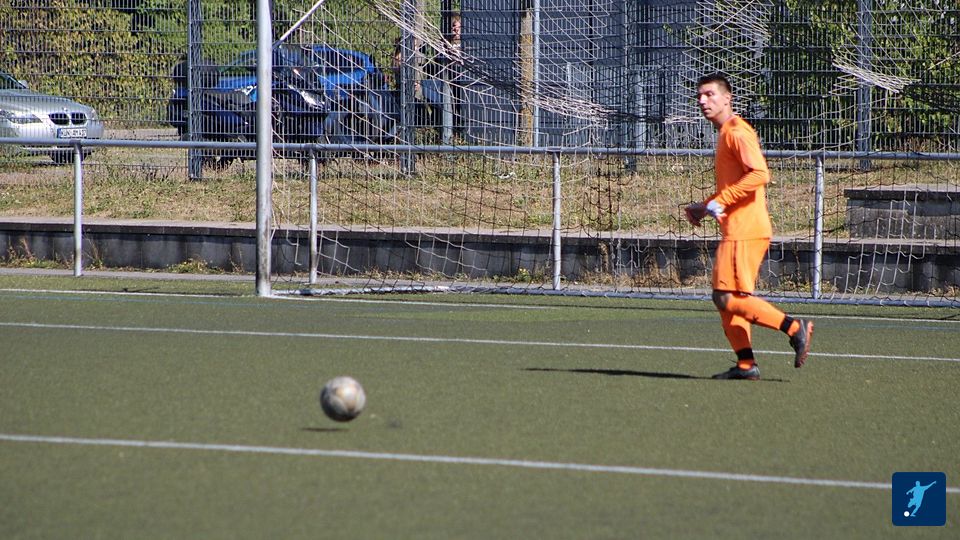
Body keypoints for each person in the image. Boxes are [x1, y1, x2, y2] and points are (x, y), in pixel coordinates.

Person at [684, 73, 814, 380]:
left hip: (745, 229)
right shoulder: (725, 133)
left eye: (709, 94)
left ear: (727, 98)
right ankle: (746, 364)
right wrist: (705, 206)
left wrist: (722, 200)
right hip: (738, 228)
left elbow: (759, 174)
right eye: (699, 96)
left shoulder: (737, 132)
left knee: (727, 297)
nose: (702, 100)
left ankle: (794, 328)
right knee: (726, 298)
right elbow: (734, 184)